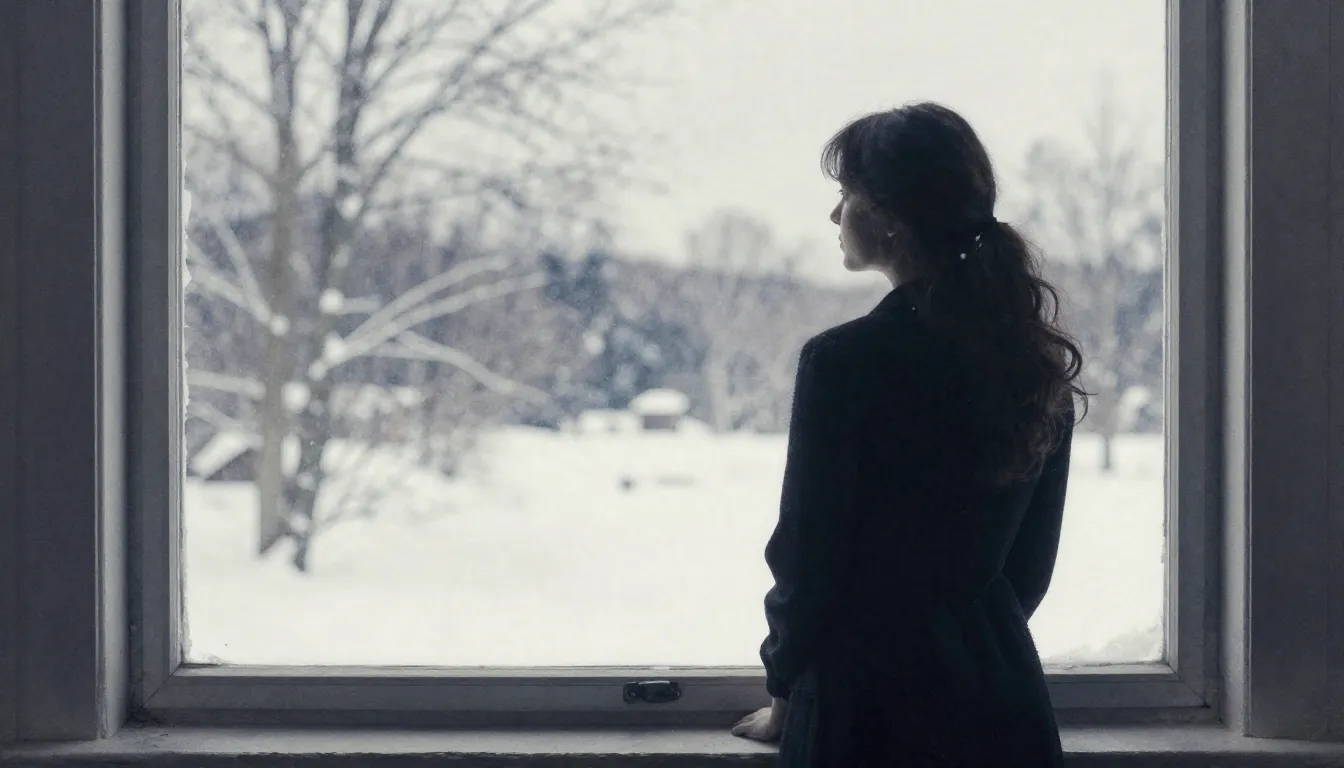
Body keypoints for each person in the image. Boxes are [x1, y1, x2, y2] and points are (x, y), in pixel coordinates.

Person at [730, 102, 1087, 766]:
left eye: (847, 194)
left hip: (868, 709)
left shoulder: (845, 362)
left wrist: (786, 693)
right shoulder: (1033, 366)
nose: (835, 215)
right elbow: (1028, 571)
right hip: (1000, 704)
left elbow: (809, 558)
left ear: (890, 216)